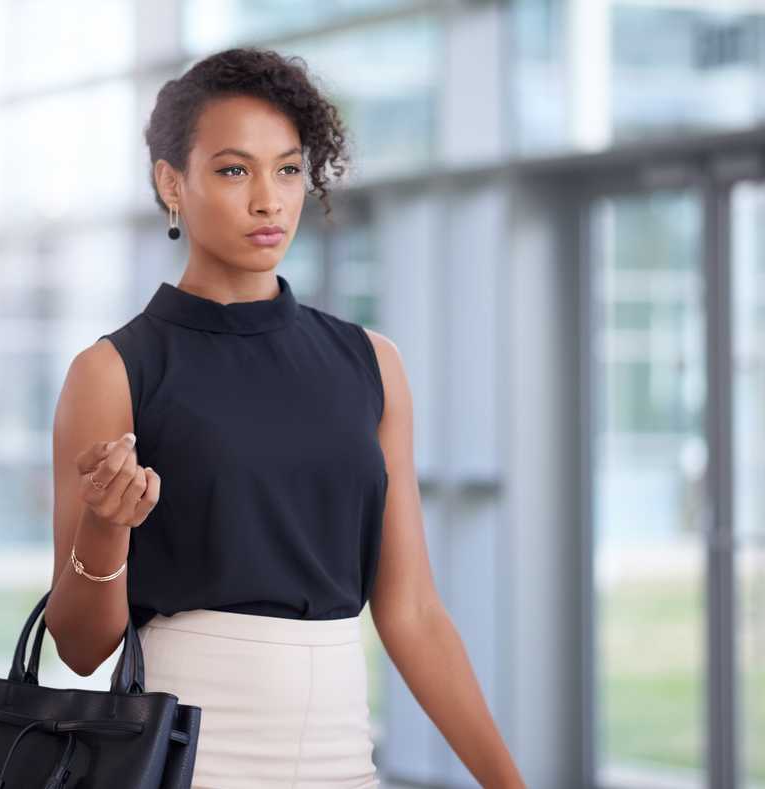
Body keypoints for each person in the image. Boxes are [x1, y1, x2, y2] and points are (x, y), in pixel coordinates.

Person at [44, 47, 526, 789]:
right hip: (183, 759)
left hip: (340, 758)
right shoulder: (112, 372)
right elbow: (80, 646)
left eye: (289, 168)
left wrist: (508, 782)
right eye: (235, 170)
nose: (269, 199)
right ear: (172, 182)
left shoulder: (371, 364)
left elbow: (414, 614)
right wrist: (105, 526)